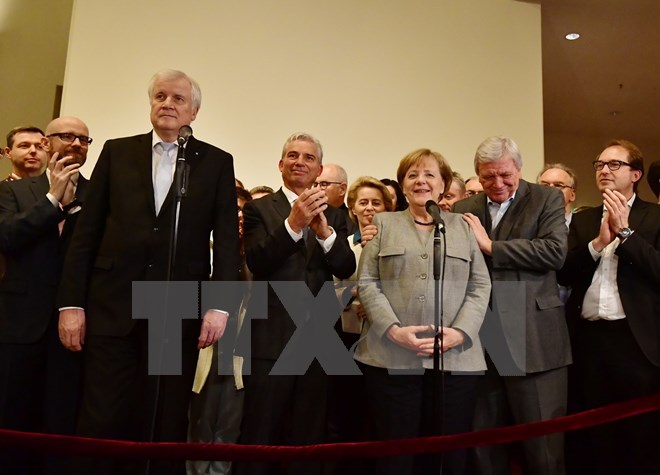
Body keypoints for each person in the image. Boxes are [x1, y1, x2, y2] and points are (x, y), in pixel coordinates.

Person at [56, 70, 240, 475]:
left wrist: (219, 306)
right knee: (102, 415)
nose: (167, 104)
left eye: (178, 98)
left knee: (163, 419)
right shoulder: (117, 152)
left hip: (175, 306)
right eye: (160, 96)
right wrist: (71, 304)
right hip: (112, 302)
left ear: (194, 111)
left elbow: (227, 242)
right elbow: (86, 235)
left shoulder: (215, 162)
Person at [355, 149, 491, 475]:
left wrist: (460, 332)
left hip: (456, 361)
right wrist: (392, 330)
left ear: (444, 184)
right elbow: (368, 282)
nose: (421, 181)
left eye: (430, 175)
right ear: (402, 185)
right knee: (395, 456)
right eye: (412, 175)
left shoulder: (463, 227)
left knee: (448, 457)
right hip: (390, 358)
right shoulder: (383, 224)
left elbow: (480, 285)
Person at [236, 132, 355, 475]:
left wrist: (325, 234)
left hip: (319, 339)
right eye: (293, 155)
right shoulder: (259, 209)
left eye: (308, 157)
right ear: (280, 164)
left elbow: (346, 266)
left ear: (318, 169)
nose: (300, 162)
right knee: (261, 434)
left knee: (308, 439)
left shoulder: (336, 215)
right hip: (271, 338)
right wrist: (293, 224)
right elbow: (257, 261)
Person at [453, 136, 571, 475]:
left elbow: (554, 252)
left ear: (519, 169)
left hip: (533, 337)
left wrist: (490, 246)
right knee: (483, 447)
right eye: (488, 176)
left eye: (505, 174)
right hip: (480, 340)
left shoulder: (546, 198)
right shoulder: (464, 209)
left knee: (544, 451)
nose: (497, 183)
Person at [558, 140, 660, 475]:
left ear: (636, 174)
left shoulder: (655, 216)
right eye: (599, 164)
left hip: (636, 342)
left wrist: (626, 234)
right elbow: (564, 273)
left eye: (614, 164)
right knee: (592, 437)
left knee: (639, 438)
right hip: (588, 340)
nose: (604, 170)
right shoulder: (583, 219)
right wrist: (597, 244)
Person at [0, 118, 88, 475]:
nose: (76, 143)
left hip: (77, 324)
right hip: (20, 321)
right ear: (48, 143)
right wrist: (53, 200)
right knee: (11, 417)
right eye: (67, 136)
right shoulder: (14, 192)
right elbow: (7, 236)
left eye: (83, 139)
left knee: (62, 420)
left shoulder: (98, 192)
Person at [328, 176, 393, 475]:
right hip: (346, 338)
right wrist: (356, 294)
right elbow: (328, 291)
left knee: (380, 419)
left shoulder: (398, 245)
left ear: (388, 208)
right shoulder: (341, 246)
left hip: (386, 342)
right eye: (363, 202)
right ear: (352, 208)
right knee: (346, 416)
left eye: (376, 203)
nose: (369, 208)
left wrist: (379, 303)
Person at [188, 186, 252, 475]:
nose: (238, 216)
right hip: (203, 346)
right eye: (233, 209)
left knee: (229, 422)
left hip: (241, 349)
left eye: (243, 211)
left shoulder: (255, 257)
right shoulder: (203, 250)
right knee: (198, 421)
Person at [315, 163, 356, 234]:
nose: (317, 189)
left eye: (324, 184)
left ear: (342, 189)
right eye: (315, 184)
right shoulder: (307, 217)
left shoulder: (354, 223)